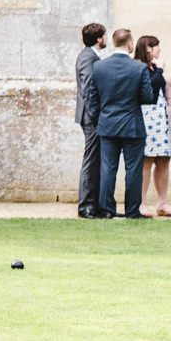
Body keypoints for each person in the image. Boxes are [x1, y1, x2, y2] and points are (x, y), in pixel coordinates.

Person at [91, 27, 156, 219]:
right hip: (132, 125)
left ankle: (106, 209)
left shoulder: (99, 67)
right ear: (129, 43)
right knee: (133, 170)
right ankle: (132, 210)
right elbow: (148, 96)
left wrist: (100, 120)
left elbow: (93, 98)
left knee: (107, 168)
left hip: (108, 124)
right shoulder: (139, 68)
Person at [131, 35, 171, 218]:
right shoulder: (138, 66)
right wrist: (160, 70)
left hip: (161, 117)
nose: (160, 50)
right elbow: (148, 89)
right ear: (148, 49)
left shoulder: (154, 68)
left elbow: (159, 87)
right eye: (157, 47)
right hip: (147, 117)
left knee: (163, 160)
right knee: (147, 160)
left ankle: (162, 203)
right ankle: (142, 203)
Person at [74, 23, 107, 218]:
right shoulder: (88, 58)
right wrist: (96, 117)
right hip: (91, 117)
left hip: (91, 116)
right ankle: (86, 205)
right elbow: (88, 90)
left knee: (96, 160)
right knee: (91, 160)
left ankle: (94, 204)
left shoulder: (91, 56)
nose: (106, 39)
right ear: (99, 39)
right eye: (104, 36)